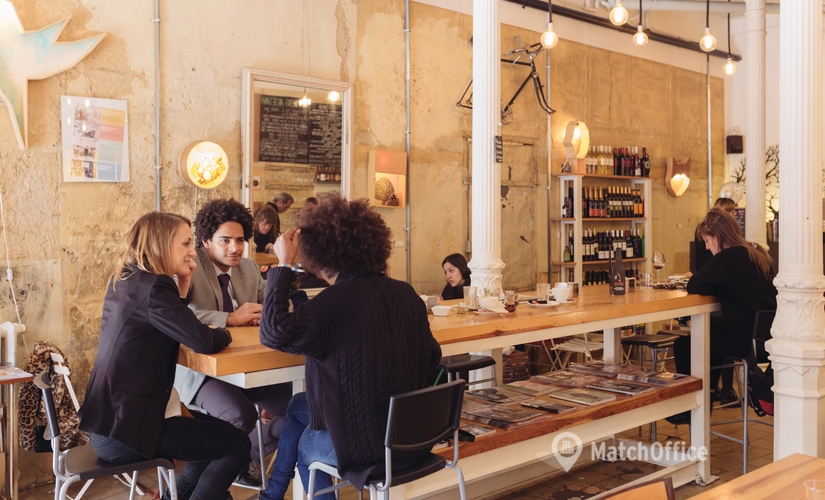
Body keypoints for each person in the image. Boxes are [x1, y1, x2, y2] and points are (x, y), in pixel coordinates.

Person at [257, 194, 442, 500]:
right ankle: (273, 494)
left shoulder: (334, 302)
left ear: (317, 254)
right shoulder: (406, 293)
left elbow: (274, 333)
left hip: (370, 448)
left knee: (307, 442)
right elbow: (433, 355)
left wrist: (283, 264)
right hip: (414, 437)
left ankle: (273, 493)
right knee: (298, 406)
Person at [78, 212, 249, 500]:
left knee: (216, 438)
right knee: (237, 444)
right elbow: (205, 341)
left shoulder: (128, 278)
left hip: (109, 424)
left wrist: (182, 290)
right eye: (185, 244)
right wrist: (227, 327)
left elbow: (166, 320)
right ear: (160, 246)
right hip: (127, 432)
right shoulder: (155, 286)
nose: (193, 251)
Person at [175, 198, 292, 486]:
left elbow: (281, 305)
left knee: (304, 407)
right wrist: (232, 318)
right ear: (206, 241)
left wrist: (267, 311)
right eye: (225, 240)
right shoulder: (190, 267)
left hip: (251, 366)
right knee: (239, 416)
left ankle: (247, 453)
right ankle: (225, 471)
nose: (234, 248)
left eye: (240, 240)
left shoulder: (249, 268)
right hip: (200, 371)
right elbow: (182, 314)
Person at [669, 208, 777, 425]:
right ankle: (706, 397)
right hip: (766, 340)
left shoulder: (728, 257)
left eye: (707, 241)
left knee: (683, 344)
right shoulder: (757, 253)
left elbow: (694, 284)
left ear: (718, 236)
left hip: (744, 342)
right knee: (709, 337)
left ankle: (688, 406)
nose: (707, 247)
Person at [693, 197, 736, 272]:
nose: (707, 247)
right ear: (732, 213)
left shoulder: (703, 227)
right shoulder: (726, 229)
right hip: (716, 270)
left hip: (703, 269)